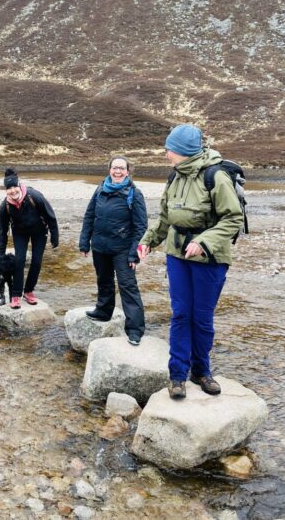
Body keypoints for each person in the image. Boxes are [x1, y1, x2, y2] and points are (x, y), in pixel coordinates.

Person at [138, 124, 243, 398]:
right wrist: (148, 241)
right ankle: (177, 376)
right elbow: (165, 218)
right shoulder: (174, 177)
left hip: (210, 258)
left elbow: (233, 218)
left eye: (170, 149)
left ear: (184, 151)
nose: (165, 154)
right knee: (181, 314)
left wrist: (204, 242)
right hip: (177, 256)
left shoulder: (215, 176)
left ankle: (201, 372)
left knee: (202, 318)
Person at [79, 156, 148, 346]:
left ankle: (134, 330)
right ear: (109, 169)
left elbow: (141, 227)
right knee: (104, 280)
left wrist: (134, 253)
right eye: (114, 168)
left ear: (128, 171)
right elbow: (89, 215)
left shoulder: (134, 193)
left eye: (121, 168)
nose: (117, 171)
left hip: (123, 249)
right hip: (100, 246)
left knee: (128, 286)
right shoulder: (100, 189)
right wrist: (84, 242)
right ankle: (103, 312)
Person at [0, 168, 59, 309]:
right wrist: (0, 255)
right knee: (19, 260)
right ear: (5, 190)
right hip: (20, 233)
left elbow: (50, 215)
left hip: (39, 231)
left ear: (19, 185)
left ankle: (29, 290)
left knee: (36, 261)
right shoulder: (5, 206)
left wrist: (55, 236)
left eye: (14, 187)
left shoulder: (34, 196)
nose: (12, 191)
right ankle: (16, 294)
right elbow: (2, 231)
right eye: (9, 188)